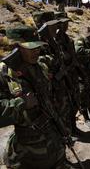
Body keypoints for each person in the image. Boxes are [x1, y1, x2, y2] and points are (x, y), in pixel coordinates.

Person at [0, 25, 67, 168]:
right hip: (28, 154)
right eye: (31, 47)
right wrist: (20, 103)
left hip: (54, 144)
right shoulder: (4, 73)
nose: (37, 51)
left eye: (38, 47)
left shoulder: (40, 66)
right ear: (15, 47)